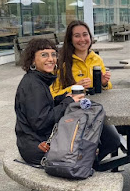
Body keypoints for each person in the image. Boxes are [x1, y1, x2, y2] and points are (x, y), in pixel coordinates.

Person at [50, 20, 122, 163]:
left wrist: (104, 83)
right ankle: (83, 165)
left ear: (90, 36)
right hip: (72, 114)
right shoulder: (61, 62)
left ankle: (89, 164)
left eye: (85, 35)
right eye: (77, 36)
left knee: (113, 141)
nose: (82, 40)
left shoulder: (96, 59)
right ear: (70, 39)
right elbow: (52, 95)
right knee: (94, 141)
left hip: (95, 112)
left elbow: (107, 89)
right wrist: (74, 87)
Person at [15, 38, 82, 166]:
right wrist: (68, 102)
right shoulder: (33, 85)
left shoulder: (37, 79)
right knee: (86, 147)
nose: (51, 59)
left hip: (33, 142)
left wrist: (63, 97)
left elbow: (43, 105)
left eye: (53, 54)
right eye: (44, 55)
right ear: (33, 60)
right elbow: (41, 122)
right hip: (37, 148)